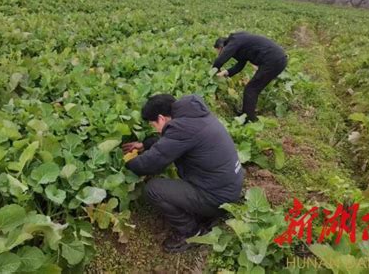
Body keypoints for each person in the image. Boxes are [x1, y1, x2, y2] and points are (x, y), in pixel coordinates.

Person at [122, 94, 244, 253]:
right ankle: (205, 212)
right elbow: (171, 140)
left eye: (153, 125)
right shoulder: (195, 115)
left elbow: (148, 165)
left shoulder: (181, 129)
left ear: (161, 118)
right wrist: (144, 145)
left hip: (218, 198)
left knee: (154, 189)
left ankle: (192, 232)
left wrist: (126, 163)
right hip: (230, 186)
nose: (155, 129)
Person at [213, 31, 287, 123]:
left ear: (221, 47)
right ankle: (246, 115)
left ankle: (249, 120)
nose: (219, 54)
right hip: (277, 59)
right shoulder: (240, 44)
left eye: (219, 51)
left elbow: (222, 58)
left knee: (251, 89)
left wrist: (213, 71)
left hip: (273, 60)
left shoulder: (234, 40)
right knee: (253, 88)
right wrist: (227, 72)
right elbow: (240, 65)